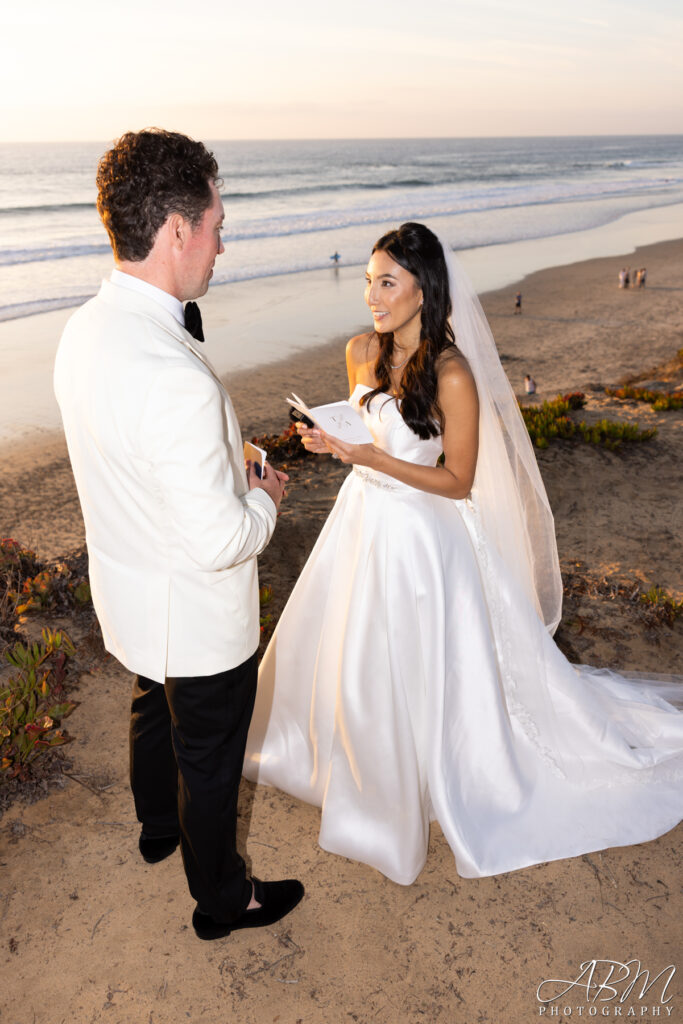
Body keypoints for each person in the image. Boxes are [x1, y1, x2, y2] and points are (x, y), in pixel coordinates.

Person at [243, 222, 683, 885]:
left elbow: (458, 481)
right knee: (352, 652)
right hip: (360, 521)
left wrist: (369, 457)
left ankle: (417, 783)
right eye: (368, 280)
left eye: (386, 282)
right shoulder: (359, 349)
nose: (372, 295)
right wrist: (337, 446)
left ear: (423, 290)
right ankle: (356, 769)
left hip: (422, 536)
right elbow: (363, 432)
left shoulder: (451, 374)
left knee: (420, 659)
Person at [54, 129, 304, 939]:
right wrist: (265, 497)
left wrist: (216, 456)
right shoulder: (170, 374)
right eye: (216, 225)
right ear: (174, 232)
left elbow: (130, 449)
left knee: (147, 709)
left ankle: (156, 829)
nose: (222, 245)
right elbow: (220, 541)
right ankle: (223, 900)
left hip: (129, 597)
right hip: (195, 620)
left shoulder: (84, 331)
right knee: (209, 757)